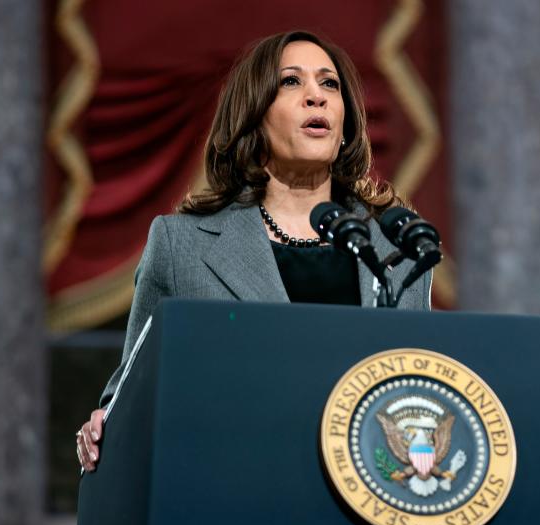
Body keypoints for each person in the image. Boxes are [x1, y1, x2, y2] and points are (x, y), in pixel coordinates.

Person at [76, 30, 433, 472]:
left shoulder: (396, 251)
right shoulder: (180, 245)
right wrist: (102, 424)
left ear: (346, 126)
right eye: (290, 82)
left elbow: (420, 399)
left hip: (368, 495)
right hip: (236, 489)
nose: (315, 98)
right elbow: (129, 393)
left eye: (329, 84)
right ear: (254, 117)